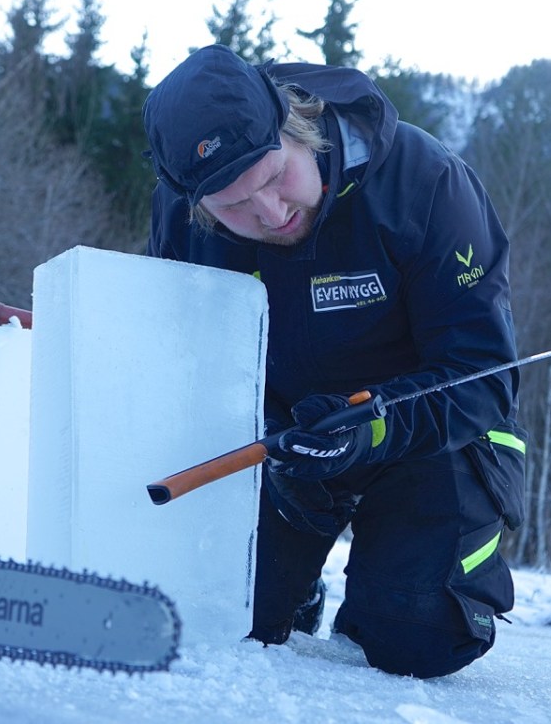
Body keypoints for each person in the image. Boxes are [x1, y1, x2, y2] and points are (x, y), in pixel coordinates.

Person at [143, 44, 527, 679]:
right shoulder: (180, 221)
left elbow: (482, 377)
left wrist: (369, 428)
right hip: (281, 442)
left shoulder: (424, 181)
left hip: (430, 434)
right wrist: (270, 428)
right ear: (194, 203)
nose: (270, 213)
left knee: (417, 638)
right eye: (234, 206)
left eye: (274, 177)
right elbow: (184, 359)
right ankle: (294, 587)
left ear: (294, 126)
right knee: (217, 618)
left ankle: (395, 589)